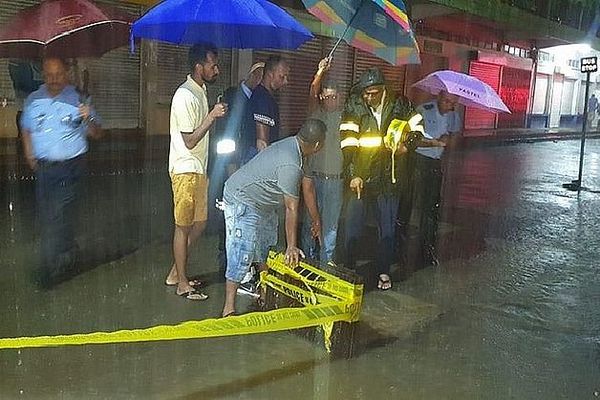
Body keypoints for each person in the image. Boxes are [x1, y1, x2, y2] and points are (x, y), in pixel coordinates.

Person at [221, 119, 326, 317]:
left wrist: (316, 221)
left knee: (266, 248)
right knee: (242, 249)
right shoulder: (291, 162)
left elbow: (309, 189)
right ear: (318, 144)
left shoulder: (303, 152)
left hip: (264, 202)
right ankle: (229, 308)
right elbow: (291, 207)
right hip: (243, 198)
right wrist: (291, 246)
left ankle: (264, 293)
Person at [20, 57, 102, 289]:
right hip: (45, 169)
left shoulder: (78, 99)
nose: (54, 80)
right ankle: (68, 249)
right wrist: (29, 153)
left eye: (58, 74)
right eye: (49, 75)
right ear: (43, 75)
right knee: (51, 214)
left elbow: (97, 134)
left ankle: (47, 270)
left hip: (71, 168)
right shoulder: (34, 100)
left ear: (66, 74)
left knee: (55, 215)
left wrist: (89, 117)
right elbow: (26, 128)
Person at [340, 67, 423, 291]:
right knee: (352, 227)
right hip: (362, 177)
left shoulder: (400, 104)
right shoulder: (354, 104)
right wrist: (353, 174)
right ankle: (348, 271)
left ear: (383, 90)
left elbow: (418, 127)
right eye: (366, 93)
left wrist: (408, 144)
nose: (368, 97)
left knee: (386, 229)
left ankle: (383, 271)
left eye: (373, 93)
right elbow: (348, 141)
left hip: (389, 177)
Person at [164, 44, 228, 301]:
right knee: (183, 226)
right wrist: (212, 116)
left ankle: (175, 273)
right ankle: (181, 283)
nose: (217, 70)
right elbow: (190, 140)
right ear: (198, 66)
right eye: (212, 65)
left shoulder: (200, 91)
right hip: (184, 168)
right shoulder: (185, 95)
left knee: (199, 223)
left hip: (199, 169)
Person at [300, 57, 343, 263]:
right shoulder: (316, 114)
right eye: (325, 97)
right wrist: (320, 72)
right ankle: (307, 263)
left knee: (331, 227)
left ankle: (326, 267)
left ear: (339, 97)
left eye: (332, 97)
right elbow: (311, 93)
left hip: (336, 180)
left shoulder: (346, 116)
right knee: (311, 223)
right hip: (315, 178)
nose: (329, 101)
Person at [414, 90, 462, 266]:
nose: (449, 106)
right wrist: (434, 142)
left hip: (435, 163)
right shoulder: (423, 110)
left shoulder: (453, 116)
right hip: (418, 161)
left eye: (453, 103)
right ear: (439, 98)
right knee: (412, 204)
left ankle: (427, 248)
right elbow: (413, 139)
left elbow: (455, 140)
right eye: (447, 101)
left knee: (431, 207)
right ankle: (402, 245)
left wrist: (449, 139)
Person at [240, 55, 290, 163]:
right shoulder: (262, 98)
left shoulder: (266, 97)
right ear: (270, 74)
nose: (286, 81)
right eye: (282, 77)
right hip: (257, 160)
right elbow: (262, 142)